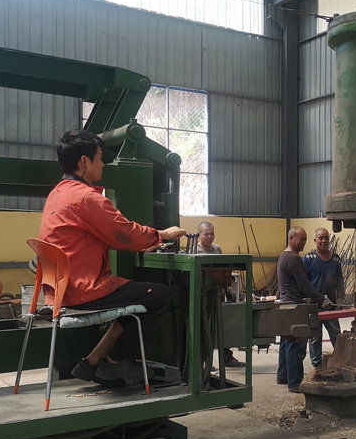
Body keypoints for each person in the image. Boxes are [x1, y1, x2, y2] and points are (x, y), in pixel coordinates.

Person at [39, 129, 186, 386]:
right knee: (159, 295)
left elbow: (98, 235)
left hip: (60, 289)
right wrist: (162, 234)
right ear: (84, 162)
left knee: (133, 298)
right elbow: (124, 233)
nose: (103, 164)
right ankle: (118, 362)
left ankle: (93, 362)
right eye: (99, 158)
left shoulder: (57, 194)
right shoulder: (86, 197)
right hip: (82, 289)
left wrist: (140, 242)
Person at [276, 226, 334, 393]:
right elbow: (304, 286)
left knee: (286, 343)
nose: (304, 243)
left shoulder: (283, 256)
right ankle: (295, 383)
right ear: (291, 239)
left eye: (305, 240)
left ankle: (283, 376)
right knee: (296, 346)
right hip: (296, 307)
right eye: (301, 239)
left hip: (286, 305)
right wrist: (321, 299)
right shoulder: (293, 259)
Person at [195, 221, 243, 368]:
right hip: (201, 295)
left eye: (212, 233)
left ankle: (226, 357)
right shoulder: (195, 251)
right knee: (203, 328)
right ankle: (203, 362)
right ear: (199, 235)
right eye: (206, 234)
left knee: (221, 326)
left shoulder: (217, 249)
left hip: (217, 293)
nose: (210, 237)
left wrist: (226, 288)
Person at [303, 228, 345, 369]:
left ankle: (340, 361)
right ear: (315, 240)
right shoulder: (308, 259)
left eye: (326, 238)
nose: (324, 241)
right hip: (314, 305)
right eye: (320, 238)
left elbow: (340, 280)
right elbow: (304, 282)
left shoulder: (335, 259)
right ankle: (317, 365)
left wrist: (341, 298)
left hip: (331, 305)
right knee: (315, 337)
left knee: (336, 334)